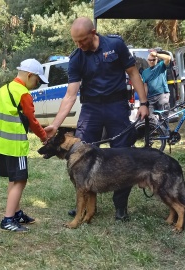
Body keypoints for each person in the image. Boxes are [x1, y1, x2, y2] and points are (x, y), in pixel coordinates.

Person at [44, 17, 149, 221]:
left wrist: (143, 103)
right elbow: (70, 94)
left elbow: (133, 73)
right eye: (75, 41)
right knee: (81, 155)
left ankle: (120, 208)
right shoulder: (76, 57)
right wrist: (56, 124)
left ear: (93, 33)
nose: (79, 45)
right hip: (91, 109)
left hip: (117, 107)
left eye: (82, 40)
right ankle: (84, 206)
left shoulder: (115, 44)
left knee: (123, 158)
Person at [0, 58, 48, 232]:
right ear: (29, 75)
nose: (37, 84)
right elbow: (32, 120)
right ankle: (8, 219)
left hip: (1, 143)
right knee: (20, 180)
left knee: (14, 179)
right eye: (37, 80)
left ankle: (16, 212)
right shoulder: (23, 93)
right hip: (14, 144)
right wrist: (44, 136)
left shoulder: (3, 89)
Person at [141, 50, 172, 117]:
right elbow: (145, 86)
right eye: (150, 60)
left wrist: (156, 54)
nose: (151, 61)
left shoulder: (161, 66)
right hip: (151, 97)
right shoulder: (144, 72)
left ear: (156, 59)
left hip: (162, 95)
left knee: (163, 118)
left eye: (153, 59)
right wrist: (145, 99)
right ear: (147, 60)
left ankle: (165, 127)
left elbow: (168, 58)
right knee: (151, 118)